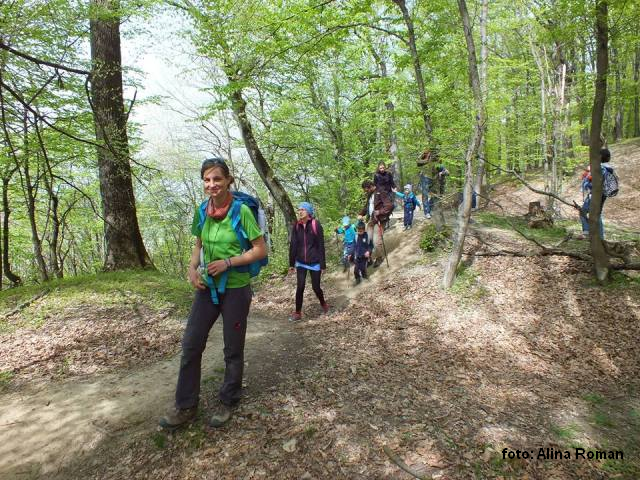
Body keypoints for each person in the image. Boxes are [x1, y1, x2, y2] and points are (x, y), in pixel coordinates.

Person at [160, 158, 267, 430]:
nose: (212, 185)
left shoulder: (241, 211)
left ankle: (229, 400)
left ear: (229, 180)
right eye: (207, 180)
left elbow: (259, 250)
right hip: (208, 287)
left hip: (236, 288)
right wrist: (192, 268)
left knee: (233, 348)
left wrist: (229, 263)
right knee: (191, 343)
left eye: (217, 179)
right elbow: (198, 243)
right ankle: (186, 407)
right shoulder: (202, 211)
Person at [288, 202, 329, 321]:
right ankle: (297, 313)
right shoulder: (297, 225)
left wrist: (323, 265)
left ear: (309, 212)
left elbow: (321, 245)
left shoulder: (316, 225)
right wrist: (291, 263)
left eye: (303, 210)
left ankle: (323, 303)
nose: (300, 212)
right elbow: (293, 245)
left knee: (316, 287)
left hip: (315, 261)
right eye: (299, 210)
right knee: (300, 286)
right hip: (301, 262)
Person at [577, 148, 615, 240]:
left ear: (600, 157)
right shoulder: (609, 168)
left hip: (594, 194)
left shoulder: (599, 168)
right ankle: (600, 237)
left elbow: (592, 181)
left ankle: (586, 231)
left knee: (583, 211)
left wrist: (587, 180)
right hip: (604, 194)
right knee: (597, 214)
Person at [359, 180, 393, 268]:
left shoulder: (381, 192)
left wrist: (379, 212)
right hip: (371, 219)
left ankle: (379, 257)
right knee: (366, 239)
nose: (365, 192)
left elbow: (389, 206)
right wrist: (361, 214)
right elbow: (367, 207)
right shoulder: (370, 195)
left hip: (380, 220)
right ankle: (369, 258)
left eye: (366, 190)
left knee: (376, 241)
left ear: (370, 186)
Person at [349, 220, 371, 285]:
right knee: (356, 269)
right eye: (358, 231)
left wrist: (368, 252)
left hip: (364, 256)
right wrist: (350, 254)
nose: (359, 232)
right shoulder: (356, 236)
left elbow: (370, 245)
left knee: (363, 268)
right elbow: (353, 246)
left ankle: (364, 276)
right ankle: (357, 279)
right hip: (357, 256)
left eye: (361, 231)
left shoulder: (367, 236)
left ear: (364, 230)